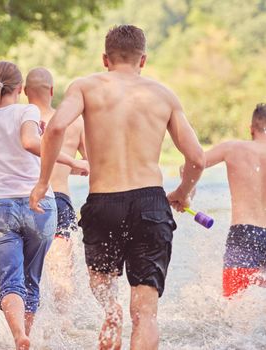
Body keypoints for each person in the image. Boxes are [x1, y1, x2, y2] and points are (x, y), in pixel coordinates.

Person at [30, 25, 205, 350]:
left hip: (104, 203)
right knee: (145, 314)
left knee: (106, 293)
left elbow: (54, 129)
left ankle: (110, 314)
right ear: (144, 59)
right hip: (150, 203)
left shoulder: (85, 87)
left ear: (105, 58)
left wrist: (43, 182)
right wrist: (183, 192)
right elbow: (196, 158)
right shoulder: (163, 95)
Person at [0, 61, 88, 350]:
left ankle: (17, 337)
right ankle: (28, 332)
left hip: (0, 205)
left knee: (10, 281)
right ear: (20, 89)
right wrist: (71, 160)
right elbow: (29, 142)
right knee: (31, 279)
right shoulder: (28, 111)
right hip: (39, 205)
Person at [24, 67, 86, 311]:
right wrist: (68, 165)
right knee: (62, 273)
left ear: (24, 92)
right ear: (52, 91)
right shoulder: (74, 122)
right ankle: (64, 327)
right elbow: (88, 165)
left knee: (25, 271)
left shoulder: (19, 121)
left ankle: (28, 326)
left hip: (24, 200)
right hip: (59, 200)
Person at [202, 103, 266, 298]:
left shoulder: (233, 148)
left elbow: (194, 163)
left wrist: (184, 193)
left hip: (245, 234)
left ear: (251, 128)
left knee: (236, 309)